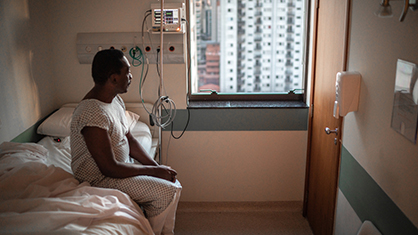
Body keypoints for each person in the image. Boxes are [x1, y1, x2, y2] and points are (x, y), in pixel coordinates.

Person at [70, 49, 182, 235]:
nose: (131, 76)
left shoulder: (115, 101)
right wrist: (155, 172)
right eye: (127, 72)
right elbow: (108, 168)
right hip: (100, 179)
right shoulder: (92, 112)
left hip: (117, 170)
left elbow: (129, 139)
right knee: (166, 192)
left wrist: (157, 167)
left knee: (174, 184)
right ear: (113, 78)